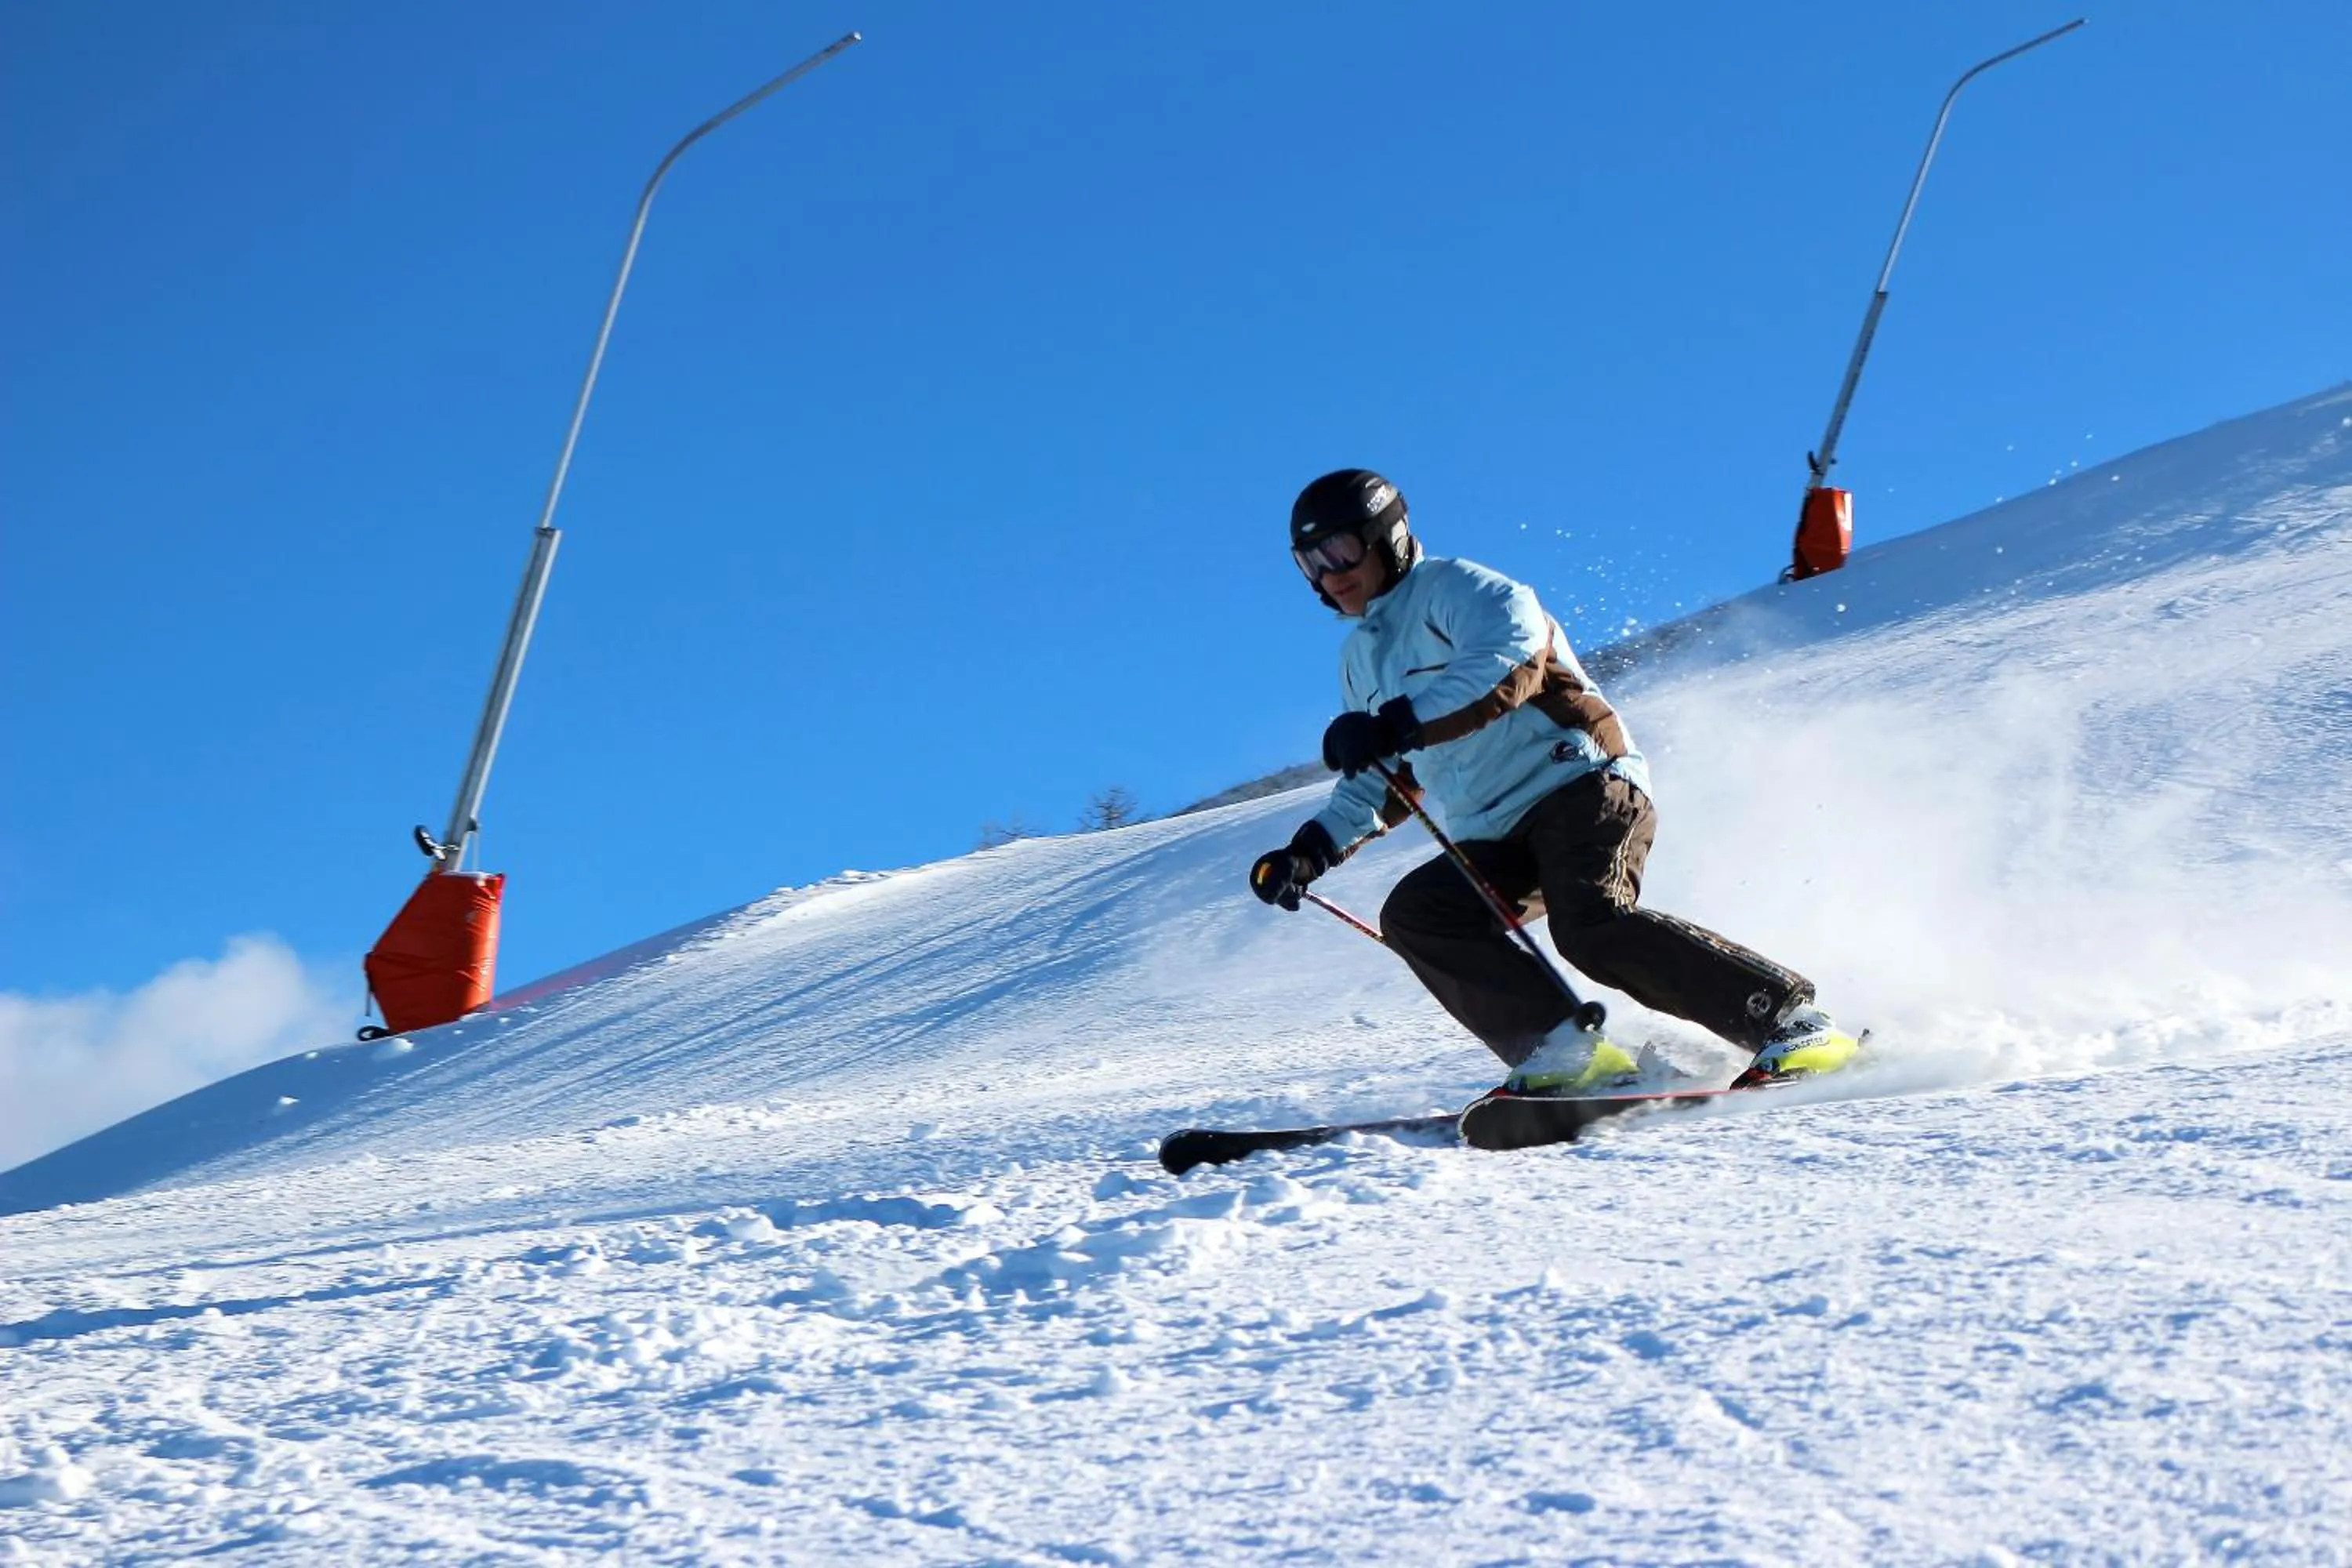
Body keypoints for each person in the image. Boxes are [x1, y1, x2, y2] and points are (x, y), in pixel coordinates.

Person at [1249, 468, 1857, 1094]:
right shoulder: (1359, 660)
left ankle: (1793, 1024)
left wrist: (1396, 723)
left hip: (1581, 784)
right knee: (1419, 914)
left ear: (1389, 537)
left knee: (1589, 925)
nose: (1330, 572)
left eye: (1342, 549)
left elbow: (1506, 667)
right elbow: (1379, 783)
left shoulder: (1463, 590)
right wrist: (1308, 850)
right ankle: (1568, 1053)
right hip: (1494, 832)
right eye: (1310, 562)